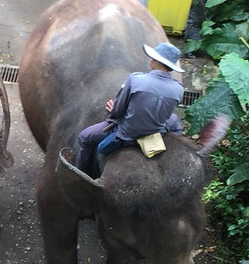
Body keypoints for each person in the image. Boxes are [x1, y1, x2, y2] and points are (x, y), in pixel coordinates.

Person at [76, 42, 185, 177]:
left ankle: (82, 175)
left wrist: (113, 109)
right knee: (174, 120)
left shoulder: (136, 79)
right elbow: (168, 111)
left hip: (127, 134)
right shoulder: (179, 89)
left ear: (155, 60)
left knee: (84, 138)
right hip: (157, 131)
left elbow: (118, 112)